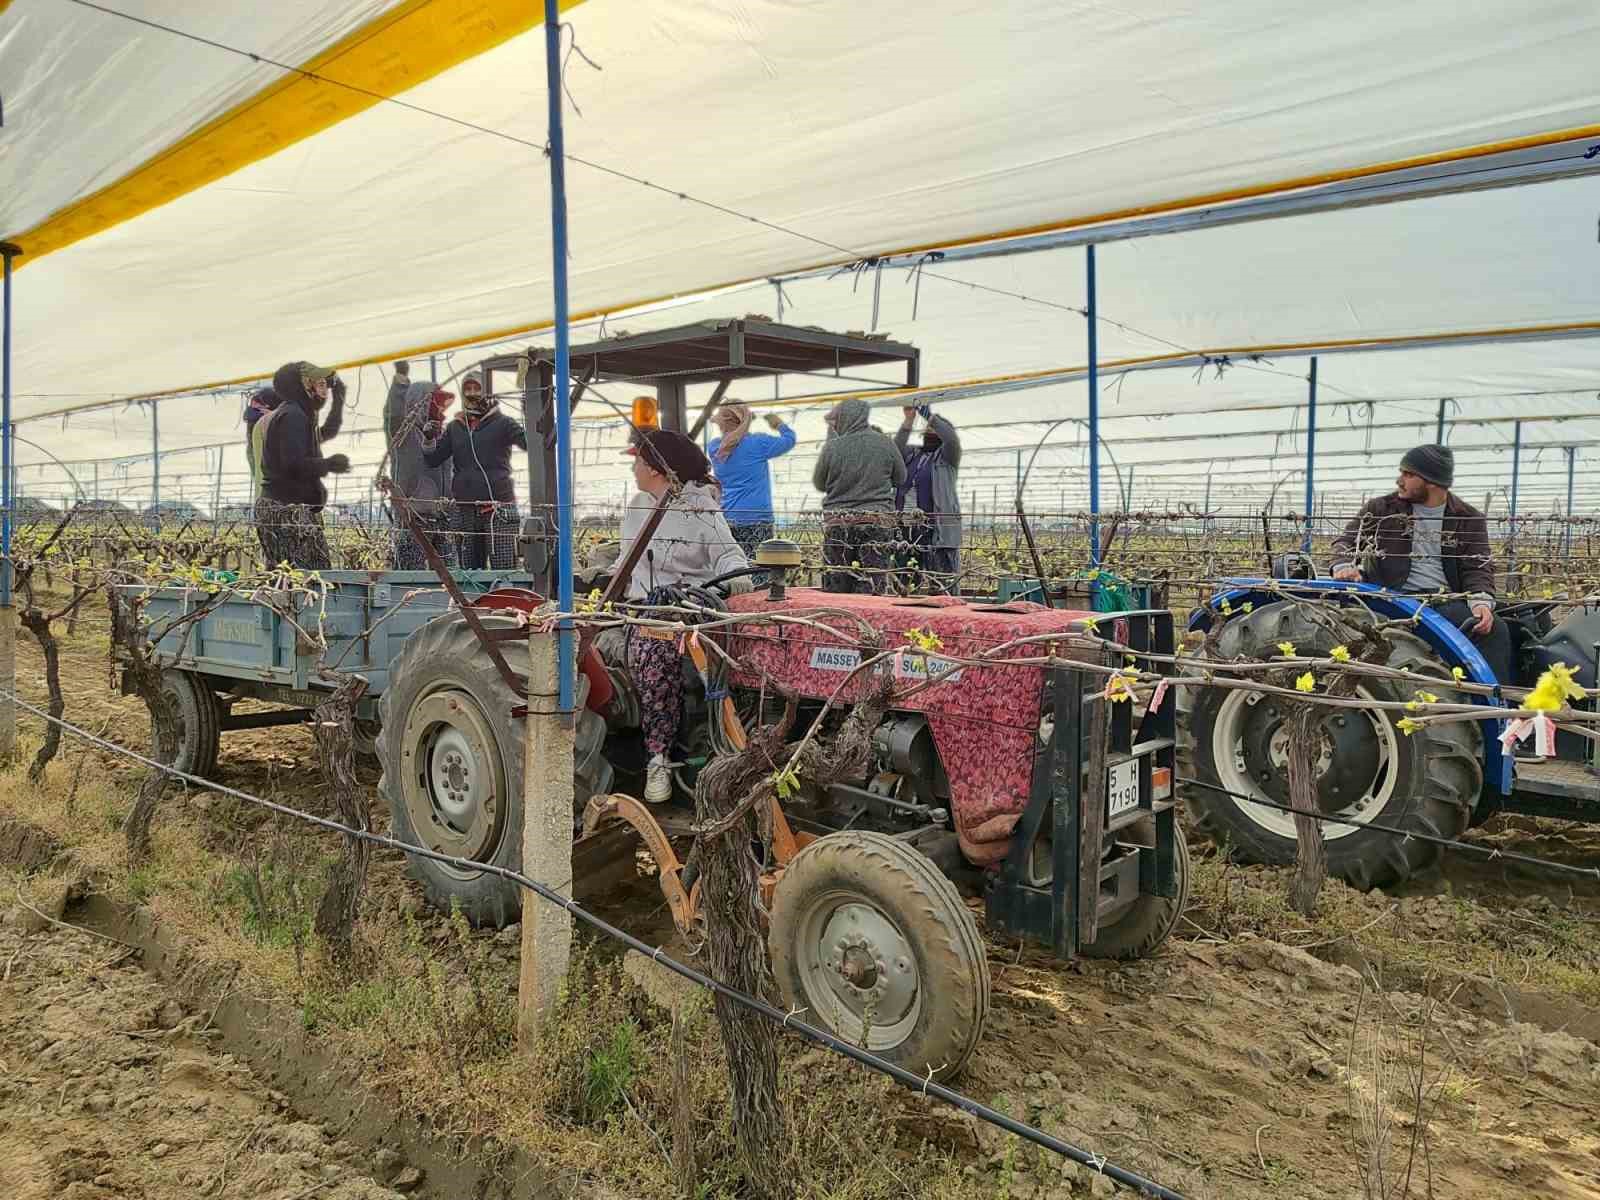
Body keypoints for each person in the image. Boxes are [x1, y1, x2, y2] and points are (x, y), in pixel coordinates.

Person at [618, 428, 749, 802]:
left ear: (658, 470)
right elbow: (625, 565)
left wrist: (734, 582)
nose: (634, 471)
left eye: (639, 463)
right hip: (643, 608)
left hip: (688, 608)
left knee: (668, 648)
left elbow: (729, 556)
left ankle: (710, 748)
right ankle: (657, 756)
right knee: (652, 648)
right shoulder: (638, 507)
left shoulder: (700, 507)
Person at [1330, 443, 1511, 682]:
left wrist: (1480, 602)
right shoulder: (1382, 509)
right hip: (1391, 599)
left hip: (1443, 601)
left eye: (1408, 474)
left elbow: (1477, 566)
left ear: (1431, 481)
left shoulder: (1468, 518)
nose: (1399, 481)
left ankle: (1494, 706)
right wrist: (1343, 565)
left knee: (1494, 629)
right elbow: (1346, 541)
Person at [422, 371, 527, 570]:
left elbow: (529, 444)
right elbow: (433, 460)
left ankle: (504, 601)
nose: (472, 393)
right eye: (467, 389)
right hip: (465, 509)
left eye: (477, 388)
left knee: (503, 568)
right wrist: (428, 438)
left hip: (499, 507)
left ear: (487, 392)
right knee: (469, 571)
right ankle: (473, 601)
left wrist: (531, 417)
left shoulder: (504, 424)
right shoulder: (455, 428)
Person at [253, 361, 350, 569]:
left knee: (300, 579)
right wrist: (329, 464)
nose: (325, 389)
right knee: (306, 579)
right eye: (320, 383)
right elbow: (293, 465)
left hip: (292, 510)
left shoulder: (299, 414)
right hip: (287, 512)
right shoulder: (292, 416)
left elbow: (328, 431)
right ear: (304, 385)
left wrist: (338, 400)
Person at [812, 398, 906, 593]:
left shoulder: (832, 447)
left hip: (839, 523)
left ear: (846, 418)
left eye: (837, 420)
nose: (836, 425)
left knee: (837, 581)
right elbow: (901, 478)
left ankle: (837, 620)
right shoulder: (885, 443)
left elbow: (819, 483)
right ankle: (869, 621)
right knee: (872, 582)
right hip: (876, 521)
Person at [384, 360, 456, 568]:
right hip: (413, 519)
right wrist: (400, 383)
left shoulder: (441, 434)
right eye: (436, 402)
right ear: (421, 403)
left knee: (450, 576)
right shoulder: (403, 434)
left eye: (442, 403)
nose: (441, 408)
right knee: (410, 578)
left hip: (442, 519)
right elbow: (392, 415)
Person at [708, 401, 795, 560]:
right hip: (757, 517)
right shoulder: (758, 443)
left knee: (734, 565)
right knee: (759, 567)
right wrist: (779, 425)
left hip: (728, 516)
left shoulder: (714, 447)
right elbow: (789, 440)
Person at [894, 403, 963, 592]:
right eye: (926, 429)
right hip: (907, 529)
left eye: (933, 429)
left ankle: (947, 620)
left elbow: (951, 439)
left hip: (936, 529)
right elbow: (895, 449)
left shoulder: (947, 457)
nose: (928, 432)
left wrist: (928, 415)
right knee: (905, 583)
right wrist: (909, 420)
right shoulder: (912, 455)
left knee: (942, 585)